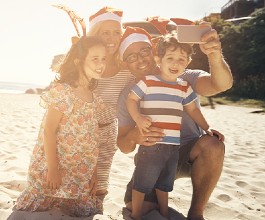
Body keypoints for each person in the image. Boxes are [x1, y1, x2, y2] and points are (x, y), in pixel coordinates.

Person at [117, 25, 233, 220]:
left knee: (213, 145)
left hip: (189, 153)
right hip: (153, 155)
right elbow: (123, 146)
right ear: (126, 63)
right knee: (142, 209)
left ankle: (196, 213)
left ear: (153, 52)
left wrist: (214, 54)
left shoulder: (183, 77)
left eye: (144, 50)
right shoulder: (129, 93)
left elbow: (221, 84)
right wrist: (134, 135)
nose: (140, 59)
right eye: (131, 56)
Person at [16, 36, 107, 217]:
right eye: (95, 58)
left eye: (104, 58)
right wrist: (52, 169)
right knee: (43, 201)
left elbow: (93, 139)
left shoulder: (94, 98)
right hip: (57, 167)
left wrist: (94, 173)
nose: (101, 63)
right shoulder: (64, 92)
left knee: (85, 209)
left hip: (80, 170)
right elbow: (49, 130)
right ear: (78, 61)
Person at [87, 7, 134, 206]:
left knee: (100, 188)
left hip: (108, 130)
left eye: (116, 32)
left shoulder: (126, 69)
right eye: (105, 32)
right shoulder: (86, 64)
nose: (112, 38)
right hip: (81, 130)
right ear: (95, 35)